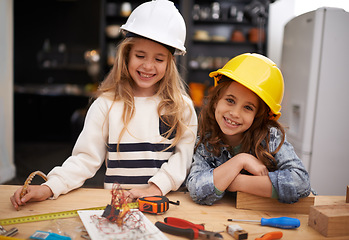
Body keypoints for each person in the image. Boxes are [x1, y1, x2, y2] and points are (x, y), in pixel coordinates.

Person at [11, 0, 197, 210]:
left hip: (164, 203)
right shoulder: (106, 105)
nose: (147, 65)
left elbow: (183, 159)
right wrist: (48, 187)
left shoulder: (182, 107)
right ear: (126, 55)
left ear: (170, 62)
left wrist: (153, 189)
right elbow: (84, 160)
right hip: (119, 207)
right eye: (140, 55)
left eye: (159, 59)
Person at [186, 53, 311, 205]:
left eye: (248, 107)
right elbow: (197, 190)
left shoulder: (270, 138)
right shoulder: (205, 142)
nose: (235, 113)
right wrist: (241, 160)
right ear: (215, 101)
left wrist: (235, 182)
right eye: (230, 100)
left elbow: (300, 183)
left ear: (259, 116)